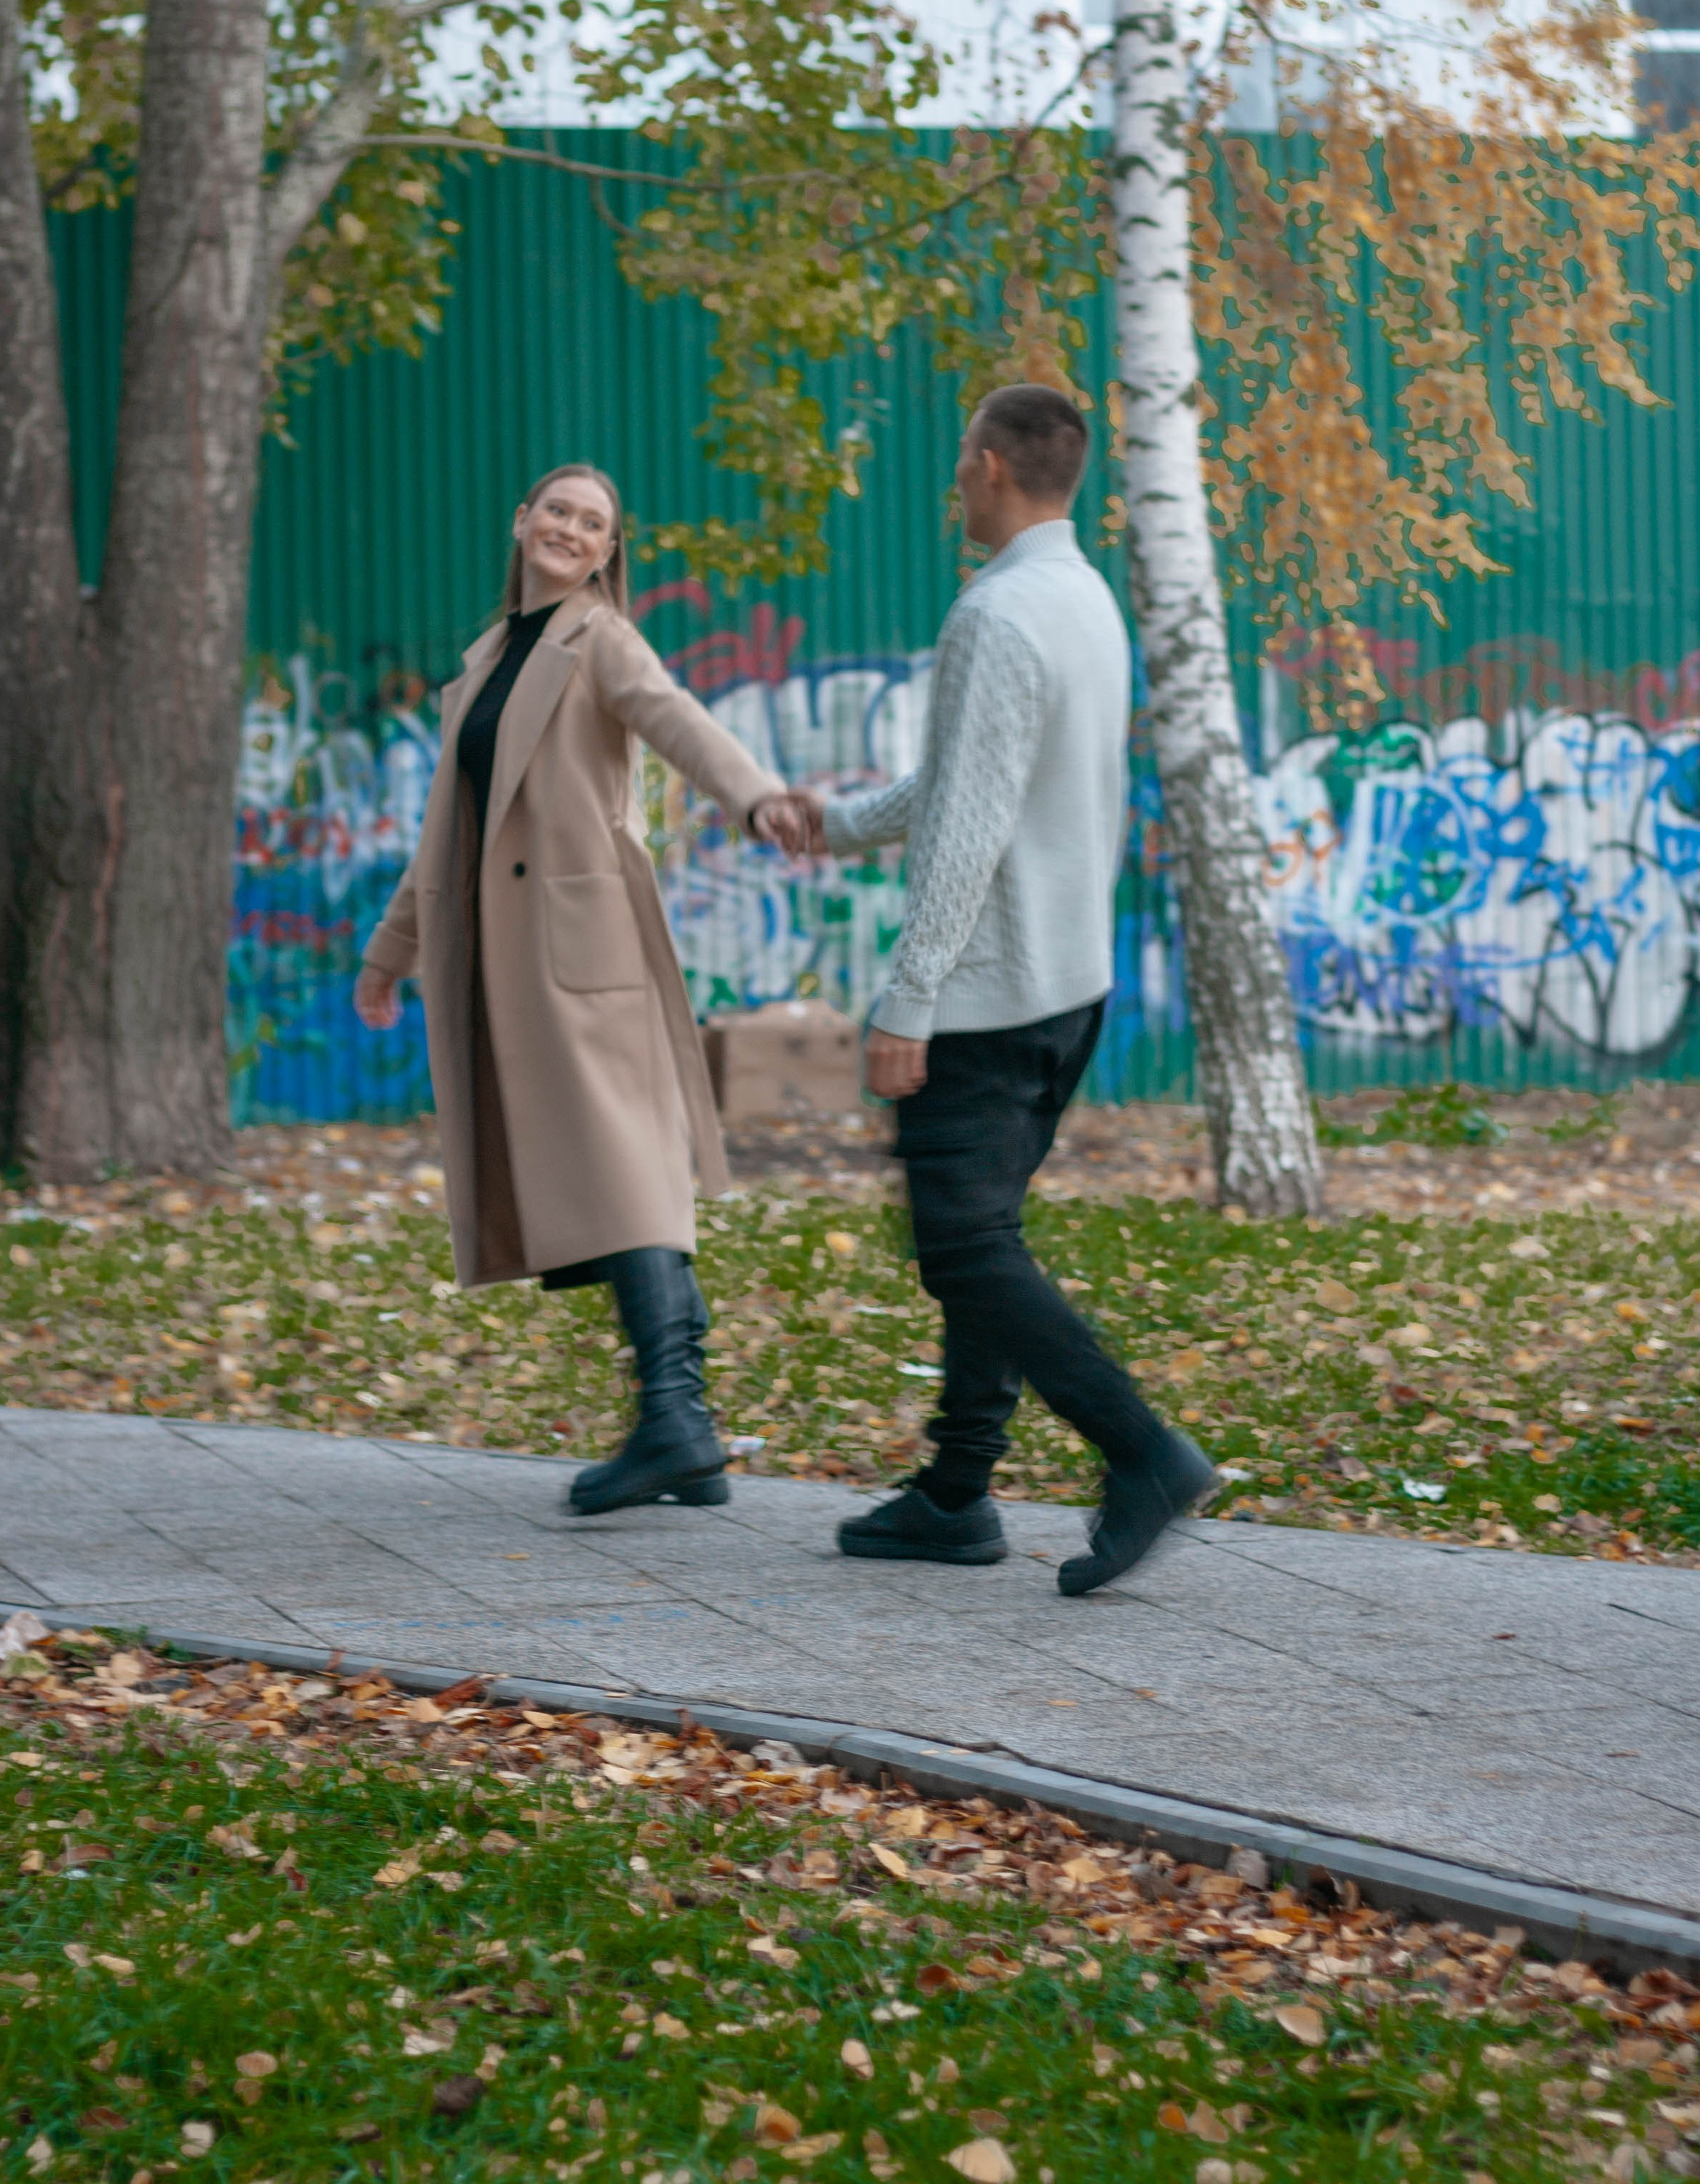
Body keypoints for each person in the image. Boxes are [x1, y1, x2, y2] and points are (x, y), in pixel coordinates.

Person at [792, 385, 1215, 1594]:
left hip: (986, 994)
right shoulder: (1084, 600)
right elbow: (969, 780)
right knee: (988, 1239)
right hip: (1068, 986)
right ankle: (956, 1492)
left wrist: (906, 1000)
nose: (957, 485)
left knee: (967, 1249)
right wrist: (836, 823)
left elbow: (971, 824)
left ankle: (1142, 1453)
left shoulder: (995, 613)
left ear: (987, 467)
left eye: (958, 466)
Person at [355, 463, 806, 1516]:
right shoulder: (487, 660)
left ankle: (676, 1421)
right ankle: (679, 1422)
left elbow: (677, 718)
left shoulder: (599, 637)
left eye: (592, 522)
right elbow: (444, 832)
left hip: (581, 948)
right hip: (512, 957)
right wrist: (391, 953)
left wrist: (758, 799)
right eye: (557, 509)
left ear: (609, 553)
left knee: (624, 1173)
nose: (569, 528)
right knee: (616, 1175)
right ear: (521, 523)